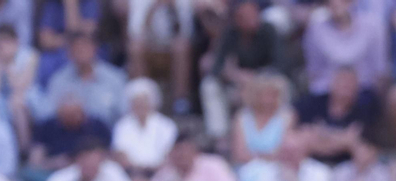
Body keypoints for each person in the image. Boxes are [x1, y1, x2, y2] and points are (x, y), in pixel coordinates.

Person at [200, 0, 280, 139]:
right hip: (237, 85)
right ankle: (219, 136)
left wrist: (255, 77)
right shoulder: (230, 34)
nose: (251, 19)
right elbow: (216, 68)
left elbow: (281, 64)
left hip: (265, 83)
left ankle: (273, 134)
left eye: (253, 14)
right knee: (209, 85)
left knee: (282, 84)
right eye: (244, 16)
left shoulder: (269, 30)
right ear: (236, 18)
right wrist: (233, 75)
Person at [33, 30, 126, 124]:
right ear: (69, 53)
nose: (81, 52)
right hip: (70, 135)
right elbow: (47, 114)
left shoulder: (114, 78)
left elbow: (124, 114)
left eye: (85, 47)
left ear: (95, 48)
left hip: (107, 135)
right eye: (76, 49)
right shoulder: (59, 80)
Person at [298, 64, 380, 166]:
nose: (346, 86)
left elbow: (369, 148)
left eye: (350, 82)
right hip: (310, 164)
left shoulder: (365, 108)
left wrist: (322, 135)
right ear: (332, 83)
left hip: (347, 167)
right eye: (342, 81)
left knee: (364, 153)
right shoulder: (314, 103)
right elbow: (304, 137)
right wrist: (345, 140)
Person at [302, 0, 388, 96]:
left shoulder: (373, 27)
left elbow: (380, 70)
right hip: (327, 94)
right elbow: (314, 71)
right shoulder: (315, 30)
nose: (335, 3)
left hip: (363, 92)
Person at [126, 0, 192, 112]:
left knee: (182, 46)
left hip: (172, 50)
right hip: (149, 48)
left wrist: (174, 9)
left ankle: (180, 102)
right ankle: (140, 97)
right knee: (136, 48)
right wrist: (153, 8)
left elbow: (187, 33)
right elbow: (135, 33)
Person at [113, 77, 177, 176]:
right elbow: (121, 155)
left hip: (162, 173)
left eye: (143, 101)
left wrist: (155, 170)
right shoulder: (122, 126)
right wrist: (139, 171)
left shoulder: (166, 124)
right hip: (131, 174)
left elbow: (170, 155)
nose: (140, 105)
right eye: (136, 101)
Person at [230, 70, 294, 165]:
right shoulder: (242, 117)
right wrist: (264, 158)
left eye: (272, 94)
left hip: (277, 168)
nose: (267, 100)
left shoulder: (287, 116)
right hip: (246, 168)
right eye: (263, 94)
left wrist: (258, 157)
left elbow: (285, 152)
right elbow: (239, 154)